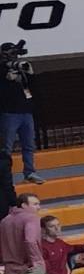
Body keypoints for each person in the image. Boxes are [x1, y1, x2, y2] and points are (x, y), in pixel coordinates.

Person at [0, 47, 37, 183]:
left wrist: (30, 74)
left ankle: (30, 172)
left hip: (26, 112)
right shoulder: (2, 69)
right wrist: (8, 77)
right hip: (9, 113)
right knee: (6, 147)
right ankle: (5, 175)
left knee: (29, 145)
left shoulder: (21, 69)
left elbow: (33, 87)